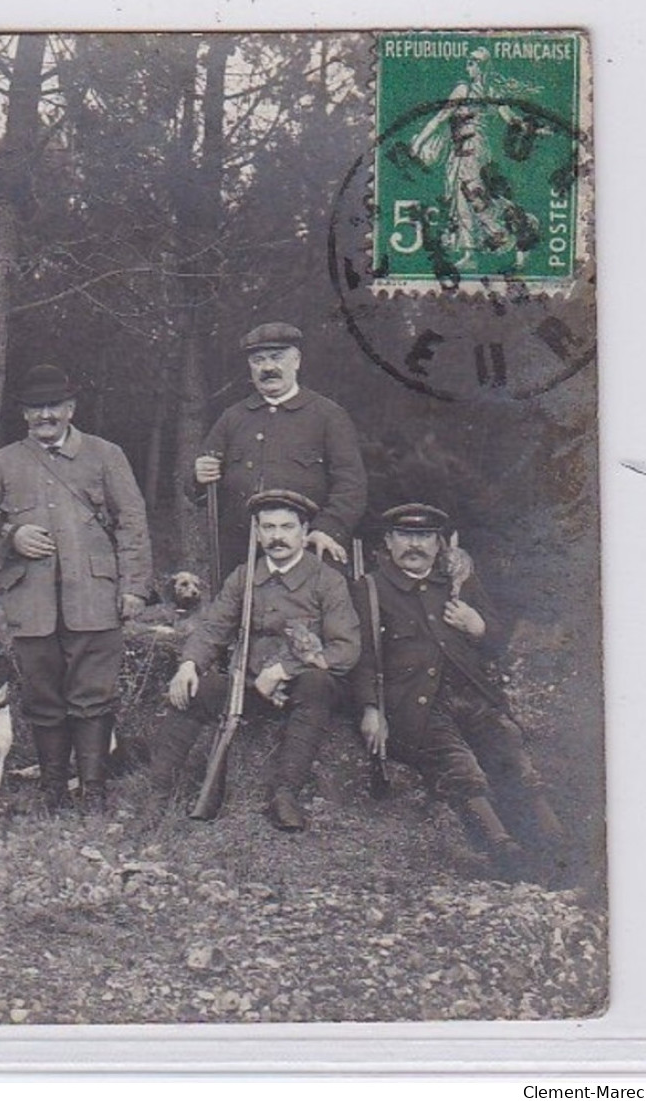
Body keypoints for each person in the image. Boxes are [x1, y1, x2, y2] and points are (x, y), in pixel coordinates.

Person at [0, 364, 153, 813]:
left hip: (96, 594)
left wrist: (136, 588)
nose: (45, 415)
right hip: (32, 598)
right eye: (35, 408)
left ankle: (93, 790)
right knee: (42, 695)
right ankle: (51, 789)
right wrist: (11, 535)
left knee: (94, 694)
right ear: (24, 414)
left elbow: (132, 521)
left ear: (70, 408)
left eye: (54, 406)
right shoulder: (3, 461)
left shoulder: (107, 455)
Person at [351, 503, 565, 874]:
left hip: (472, 695)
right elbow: (361, 659)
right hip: (416, 706)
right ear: (388, 541)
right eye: (404, 536)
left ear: (439, 544)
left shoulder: (458, 582)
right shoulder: (370, 589)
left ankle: (557, 846)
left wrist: (478, 626)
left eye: (423, 537)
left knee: (511, 752)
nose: (413, 545)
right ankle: (504, 853)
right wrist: (371, 708)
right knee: (461, 768)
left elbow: (496, 643)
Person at [151, 490, 360, 831]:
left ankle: (285, 794)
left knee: (319, 684)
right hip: (246, 685)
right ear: (258, 533)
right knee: (195, 690)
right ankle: (157, 794)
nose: (277, 536)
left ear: (305, 532)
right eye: (268, 527)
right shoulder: (244, 576)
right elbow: (213, 628)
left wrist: (284, 669)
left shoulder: (327, 580)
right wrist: (189, 665)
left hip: (302, 689)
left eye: (287, 527)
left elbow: (346, 649)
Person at [191, 322, 367, 581]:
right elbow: (198, 488)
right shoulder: (232, 418)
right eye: (258, 360)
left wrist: (328, 529)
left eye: (277, 357)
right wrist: (197, 476)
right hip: (240, 559)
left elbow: (351, 486)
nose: (268, 368)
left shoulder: (328, 415)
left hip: (308, 551)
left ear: (296, 360)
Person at [408, 48, 542, 269]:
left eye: (472, 63)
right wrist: (532, 129)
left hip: (471, 151)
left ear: (482, 66)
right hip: (466, 151)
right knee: (468, 200)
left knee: (476, 199)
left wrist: (418, 142)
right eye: (467, 62)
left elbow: (441, 117)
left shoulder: (465, 89)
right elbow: (511, 120)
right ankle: (475, 252)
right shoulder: (491, 91)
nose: (467, 67)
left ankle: (519, 235)